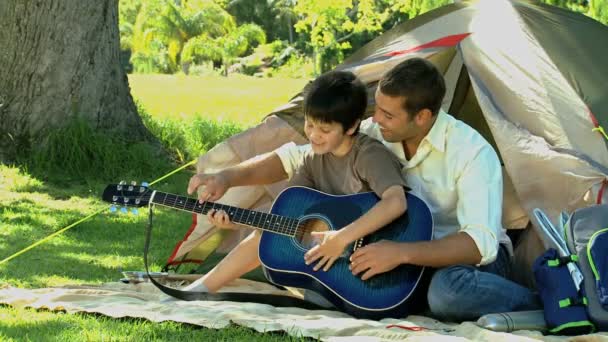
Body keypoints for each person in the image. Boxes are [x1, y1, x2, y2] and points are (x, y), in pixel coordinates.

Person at [188, 57, 542, 321]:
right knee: (328, 286)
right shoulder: (375, 132)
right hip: (386, 253)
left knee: (447, 294)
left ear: (422, 117)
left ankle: (540, 304)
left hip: (465, 263)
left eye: (389, 115)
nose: (377, 120)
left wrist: (401, 254)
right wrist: (227, 177)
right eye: (379, 110)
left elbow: (479, 245)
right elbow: (293, 158)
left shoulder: (472, 153)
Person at [184, 70, 409, 307]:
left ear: (352, 126)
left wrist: (341, 238)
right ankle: (203, 289)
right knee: (269, 236)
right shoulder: (312, 158)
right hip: (333, 262)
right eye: (309, 124)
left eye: (324, 130)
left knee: (314, 292)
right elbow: (284, 214)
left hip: (373, 265)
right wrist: (235, 222)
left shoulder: (368, 155)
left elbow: (396, 202)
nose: (313, 135)